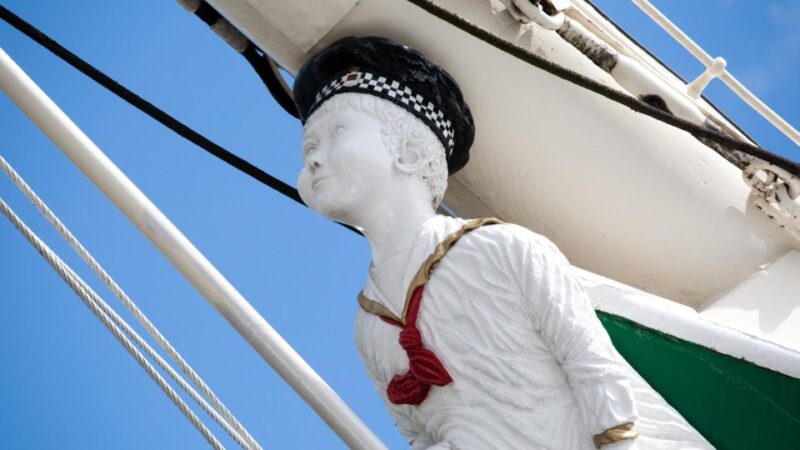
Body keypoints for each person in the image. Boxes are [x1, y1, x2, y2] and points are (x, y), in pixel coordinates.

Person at [294, 36, 710, 450]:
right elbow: (419, 434)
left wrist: (617, 442)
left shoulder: (502, 249)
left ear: (408, 151)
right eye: (309, 147)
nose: (313, 159)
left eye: (337, 133)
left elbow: (590, 363)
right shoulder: (369, 328)